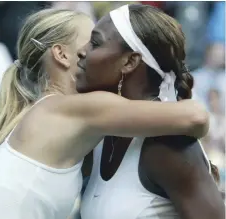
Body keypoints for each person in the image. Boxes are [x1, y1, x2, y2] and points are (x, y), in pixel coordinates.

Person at [0, 8, 209, 219]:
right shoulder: (76, 110)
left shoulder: (55, 115)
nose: (88, 52)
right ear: (62, 55)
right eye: (91, 43)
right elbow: (196, 117)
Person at [79, 4, 224, 219]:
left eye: (95, 43)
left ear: (129, 62)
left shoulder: (168, 145)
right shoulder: (102, 132)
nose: (82, 50)